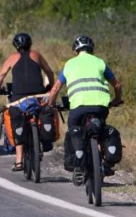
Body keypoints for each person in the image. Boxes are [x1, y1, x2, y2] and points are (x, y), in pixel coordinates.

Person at [46, 34, 122, 185]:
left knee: (75, 130)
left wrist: (51, 104)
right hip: (100, 106)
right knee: (99, 129)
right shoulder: (100, 62)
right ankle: (104, 163)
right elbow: (117, 85)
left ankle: (78, 165)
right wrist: (117, 99)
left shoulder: (69, 64)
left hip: (78, 107)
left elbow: (55, 90)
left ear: (75, 51)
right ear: (91, 50)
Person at [0, 32, 55, 172]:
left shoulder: (12, 58)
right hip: (38, 94)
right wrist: (50, 86)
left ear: (15, 46)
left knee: (17, 122)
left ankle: (19, 161)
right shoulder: (36, 55)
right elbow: (49, 72)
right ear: (30, 44)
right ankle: (41, 138)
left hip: (19, 97)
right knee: (40, 114)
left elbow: (1, 75)